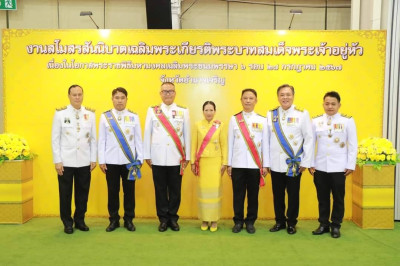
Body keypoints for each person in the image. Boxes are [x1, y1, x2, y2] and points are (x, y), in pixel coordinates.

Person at [143, 82, 190, 232]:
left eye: (170, 91)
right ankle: (163, 219)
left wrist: (187, 156)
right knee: (160, 190)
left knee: (176, 190)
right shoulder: (152, 111)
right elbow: (147, 133)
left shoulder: (183, 111)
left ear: (175, 93)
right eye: (164, 91)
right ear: (160, 93)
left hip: (176, 158)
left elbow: (187, 134)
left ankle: (173, 218)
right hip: (157, 158)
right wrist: (147, 155)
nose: (167, 94)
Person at [309, 91, 357, 238]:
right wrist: (310, 163)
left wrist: (350, 164)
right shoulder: (316, 121)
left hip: (339, 167)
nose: (330, 106)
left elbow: (353, 144)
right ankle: (323, 224)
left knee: (338, 197)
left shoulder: (347, 121)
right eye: (327, 103)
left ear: (339, 105)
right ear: (323, 104)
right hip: (320, 166)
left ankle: (336, 225)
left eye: (333, 104)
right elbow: (311, 144)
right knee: (322, 197)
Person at [267, 84, 313, 235]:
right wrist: (266, 163)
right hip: (275, 163)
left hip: (294, 164)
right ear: (278, 96)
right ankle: (279, 221)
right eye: (282, 94)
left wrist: (306, 162)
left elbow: (309, 138)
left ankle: (291, 223)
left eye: (288, 94)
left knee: (293, 194)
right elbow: (267, 140)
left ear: (293, 96)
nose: (285, 97)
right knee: (278, 194)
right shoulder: (271, 114)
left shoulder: (302, 114)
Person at [51, 84, 97, 234]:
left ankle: (80, 220)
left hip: (84, 161)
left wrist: (93, 158)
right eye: (74, 95)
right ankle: (67, 222)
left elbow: (94, 139)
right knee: (65, 193)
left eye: (79, 94)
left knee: (82, 192)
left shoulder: (90, 114)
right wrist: (57, 160)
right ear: (69, 96)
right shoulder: (60, 114)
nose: (77, 97)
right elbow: (55, 139)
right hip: (66, 161)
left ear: (83, 95)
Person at [98, 87, 143, 232]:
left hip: (129, 162)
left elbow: (138, 141)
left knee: (129, 192)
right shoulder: (105, 117)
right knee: (112, 192)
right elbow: (102, 140)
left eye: (122, 97)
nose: (119, 100)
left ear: (126, 99)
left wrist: (140, 159)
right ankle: (114, 220)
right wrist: (101, 160)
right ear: (112, 99)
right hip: (111, 161)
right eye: (116, 97)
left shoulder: (134, 116)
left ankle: (129, 220)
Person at [227, 88, 269, 234]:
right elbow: (230, 143)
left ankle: (250, 221)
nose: (248, 101)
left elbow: (265, 145)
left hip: (255, 165)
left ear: (256, 101)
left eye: (251, 98)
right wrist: (229, 164)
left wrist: (265, 165)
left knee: (253, 195)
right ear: (241, 100)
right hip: (238, 164)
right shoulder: (234, 119)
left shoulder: (263, 120)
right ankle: (238, 221)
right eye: (245, 98)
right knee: (238, 195)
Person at [190, 101, 227, 232]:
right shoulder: (197, 125)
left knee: (215, 191)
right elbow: (193, 144)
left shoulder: (220, 125)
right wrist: (193, 162)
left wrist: (225, 162)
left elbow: (224, 144)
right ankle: (205, 219)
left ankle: (214, 219)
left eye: (211, 110)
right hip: (203, 163)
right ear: (203, 111)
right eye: (206, 110)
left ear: (215, 111)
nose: (209, 113)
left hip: (216, 162)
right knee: (204, 192)